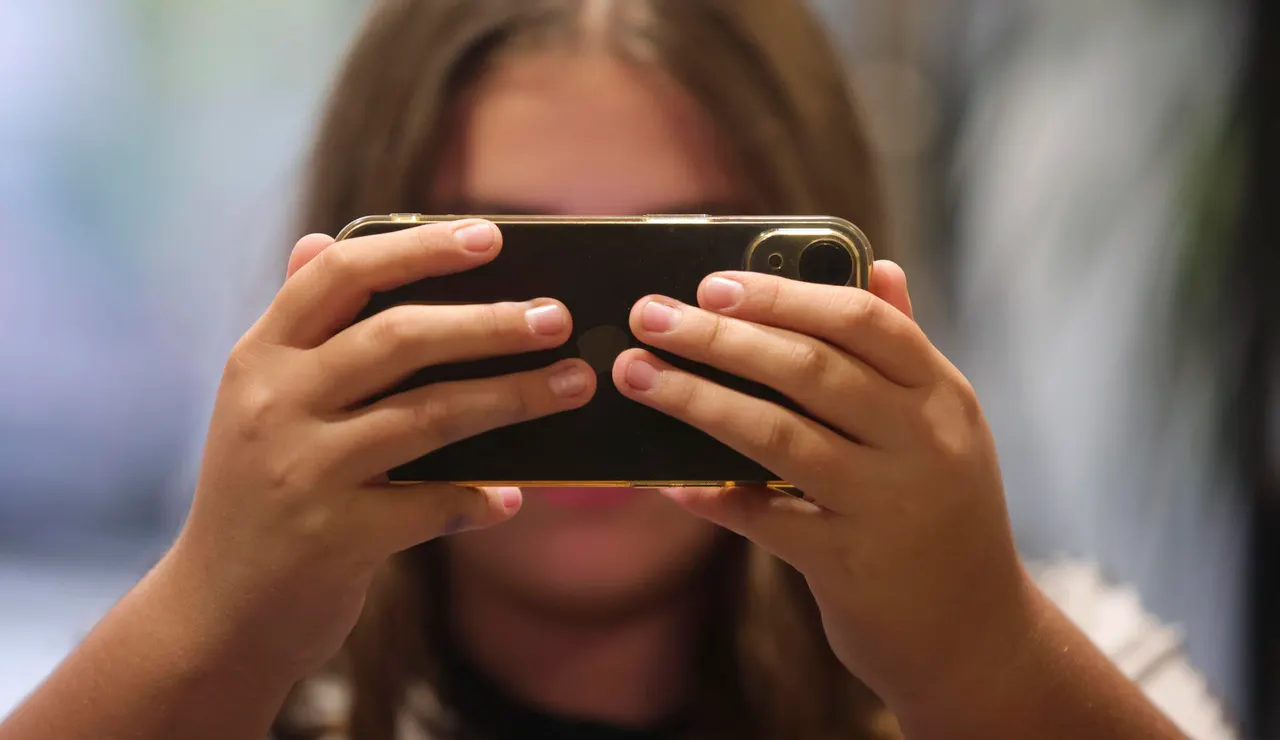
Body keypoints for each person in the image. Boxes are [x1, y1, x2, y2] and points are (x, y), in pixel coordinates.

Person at [0, 1, 1202, 739]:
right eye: (511, 272)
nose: (596, 364)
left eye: (684, 274)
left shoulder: (1044, 655)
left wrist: (978, 657)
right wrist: (208, 631)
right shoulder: (214, 681)